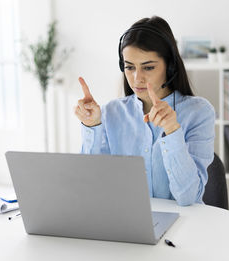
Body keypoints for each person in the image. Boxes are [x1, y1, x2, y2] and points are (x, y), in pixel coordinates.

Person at [74, 16, 215, 206]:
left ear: (170, 66)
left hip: (182, 225)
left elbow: (188, 197)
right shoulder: (110, 112)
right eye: (129, 67)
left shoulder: (198, 112)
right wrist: (92, 126)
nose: (136, 78)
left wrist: (172, 131)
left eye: (148, 67)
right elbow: (90, 187)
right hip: (127, 224)